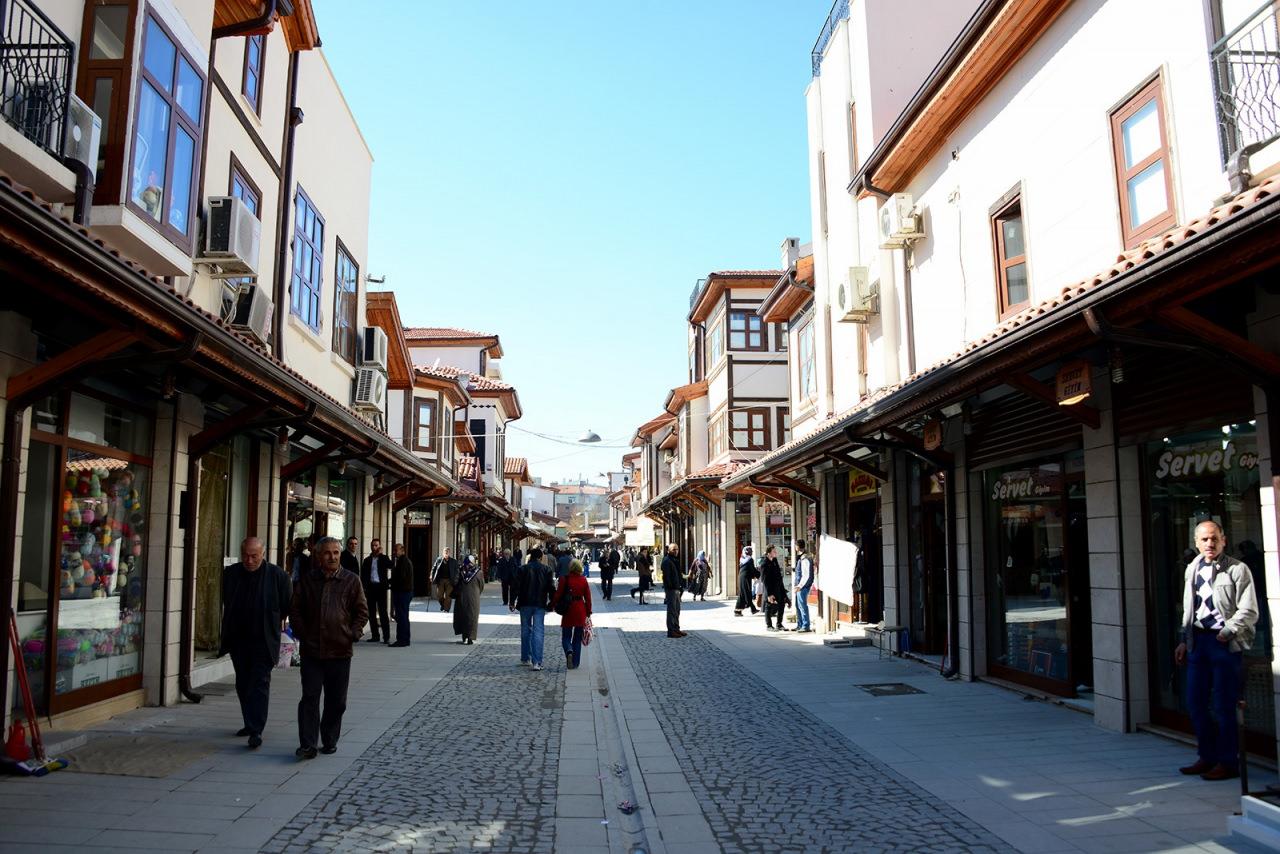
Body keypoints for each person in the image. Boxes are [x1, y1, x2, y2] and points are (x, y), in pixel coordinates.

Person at [1175, 520, 1259, 781]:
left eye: (1214, 538)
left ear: (1223, 540)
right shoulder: (1193, 568)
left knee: (1224, 706)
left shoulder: (1237, 569)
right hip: (1197, 642)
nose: (1209, 543)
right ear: (1196, 542)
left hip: (1224, 643)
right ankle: (1207, 756)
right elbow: (1190, 608)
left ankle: (1227, 762)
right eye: (1204, 539)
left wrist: (1227, 631)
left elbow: (1249, 610)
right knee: (1196, 703)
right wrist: (1183, 638)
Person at [290, 536, 367, 759]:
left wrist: (352, 633)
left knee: (337, 701)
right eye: (327, 553)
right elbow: (295, 610)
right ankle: (308, 744)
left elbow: (362, 612)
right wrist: (303, 634)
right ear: (318, 555)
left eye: (336, 552)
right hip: (312, 651)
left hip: (340, 650)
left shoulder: (351, 580)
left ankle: (329, 738)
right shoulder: (308, 580)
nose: (332, 557)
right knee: (309, 698)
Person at [219, 537, 291, 750]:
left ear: (263, 554)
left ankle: (256, 729)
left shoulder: (277, 576)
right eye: (246, 556)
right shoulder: (231, 574)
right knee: (243, 683)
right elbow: (226, 600)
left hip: (264, 640)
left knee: (259, 683)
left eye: (254, 556)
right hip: (239, 639)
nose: (249, 561)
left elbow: (287, 604)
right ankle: (249, 722)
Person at [511, 547, 554, 671]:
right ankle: (537, 662)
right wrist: (552, 603)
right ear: (541, 557)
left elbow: (515, 586)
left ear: (530, 557)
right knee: (538, 631)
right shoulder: (547, 569)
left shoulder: (522, 569)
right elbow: (551, 587)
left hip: (524, 603)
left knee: (525, 630)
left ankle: (525, 658)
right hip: (540, 604)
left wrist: (512, 601)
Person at [552, 559, 593, 669]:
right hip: (580, 610)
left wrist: (552, 604)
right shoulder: (583, 580)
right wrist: (588, 612)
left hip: (568, 609)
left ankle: (569, 651)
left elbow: (558, 594)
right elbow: (588, 598)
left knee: (566, 636)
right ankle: (575, 663)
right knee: (577, 638)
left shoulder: (564, 579)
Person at [360, 538, 392, 645]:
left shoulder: (383, 558)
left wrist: (381, 555)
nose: (374, 547)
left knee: (383, 613)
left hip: (381, 588)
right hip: (371, 588)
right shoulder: (367, 560)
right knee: (371, 613)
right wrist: (364, 588)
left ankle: (386, 637)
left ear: (379, 546)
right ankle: (375, 635)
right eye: (373, 545)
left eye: (376, 545)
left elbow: (391, 565)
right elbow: (363, 575)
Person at [453, 555, 484, 645]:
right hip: (474, 598)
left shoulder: (461, 571)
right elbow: (481, 586)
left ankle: (464, 637)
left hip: (462, 597)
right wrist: (477, 593)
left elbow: (455, 582)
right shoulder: (478, 572)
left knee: (463, 616)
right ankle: (470, 637)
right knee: (472, 617)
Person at [389, 543, 414, 647]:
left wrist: (390, 583)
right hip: (404, 592)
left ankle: (402, 640)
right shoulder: (402, 561)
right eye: (394, 550)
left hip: (402, 592)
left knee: (401, 617)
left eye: (396, 550)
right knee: (403, 616)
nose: (394, 552)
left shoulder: (403, 561)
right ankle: (405, 639)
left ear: (402, 550)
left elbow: (400, 578)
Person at [761, 545, 789, 632]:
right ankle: (769, 625)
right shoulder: (764, 563)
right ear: (769, 553)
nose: (776, 553)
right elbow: (764, 580)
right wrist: (769, 594)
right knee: (769, 606)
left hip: (778, 587)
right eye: (774, 551)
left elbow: (779, 575)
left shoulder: (775, 561)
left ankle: (779, 624)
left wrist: (783, 590)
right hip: (770, 588)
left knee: (782, 604)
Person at [661, 544, 686, 638]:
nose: (676, 551)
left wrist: (680, 586)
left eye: (677, 549)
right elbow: (666, 577)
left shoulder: (674, 560)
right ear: (669, 550)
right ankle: (671, 631)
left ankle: (676, 628)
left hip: (676, 588)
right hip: (671, 589)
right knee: (671, 610)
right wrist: (671, 586)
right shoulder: (667, 561)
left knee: (677, 610)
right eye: (673, 549)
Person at [793, 540, 815, 633]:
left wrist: (800, 586)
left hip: (802, 586)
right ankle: (800, 624)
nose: (795, 547)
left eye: (795, 545)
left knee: (802, 606)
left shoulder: (804, 558)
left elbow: (806, 575)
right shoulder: (802, 557)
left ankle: (805, 626)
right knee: (798, 606)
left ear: (797, 547)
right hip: (800, 586)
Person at [734, 546, 759, 616]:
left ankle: (737, 611)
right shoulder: (750, 559)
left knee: (742, 594)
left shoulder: (742, 559)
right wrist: (759, 575)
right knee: (747, 593)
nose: (752, 552)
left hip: (741, 578)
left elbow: (748, 569)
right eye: (750, 551)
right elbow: (752, 569)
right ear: (748, 552)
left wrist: (753, 575)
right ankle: (753, 609)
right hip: (745, 578)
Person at [433, 547, 458, 612]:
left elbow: (457, 571)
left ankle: (446, 609)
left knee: (448, 595)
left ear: (449, 553)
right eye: (445, 552)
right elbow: (434, 568)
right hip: (440, 580)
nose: (446, 553)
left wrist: (455, 580)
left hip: (450, 580)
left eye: (447, 552)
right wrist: (431, 576)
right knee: (439, 595)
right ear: (443, 553)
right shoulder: (439, 560)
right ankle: (443, 605)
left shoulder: (454, 561)